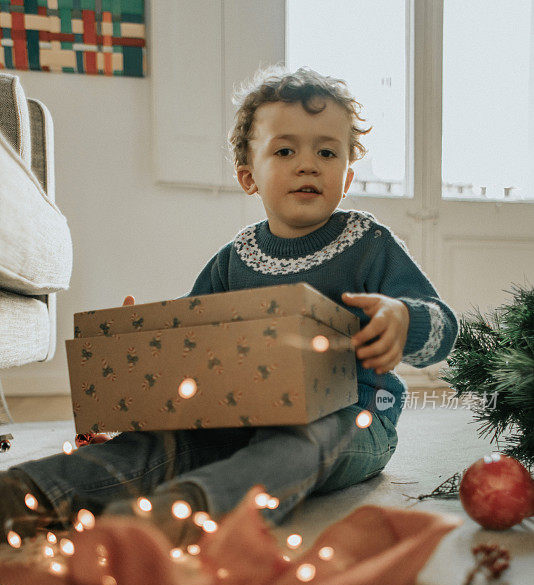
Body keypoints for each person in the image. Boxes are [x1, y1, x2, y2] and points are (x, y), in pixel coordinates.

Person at [0, 65, 458, 546]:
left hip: (354, 419)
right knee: (160, 444)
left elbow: (444, 325)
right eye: (285, 150)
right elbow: (193, 335)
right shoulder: (234, 260)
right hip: (236, 418)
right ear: (248, 176)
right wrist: (143, 340)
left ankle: (184, 513)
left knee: (300, 441)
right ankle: (32, 491)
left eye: (327, 151)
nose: (308, 164)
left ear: (346, 177)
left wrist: (404, 319)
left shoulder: (368, 243)